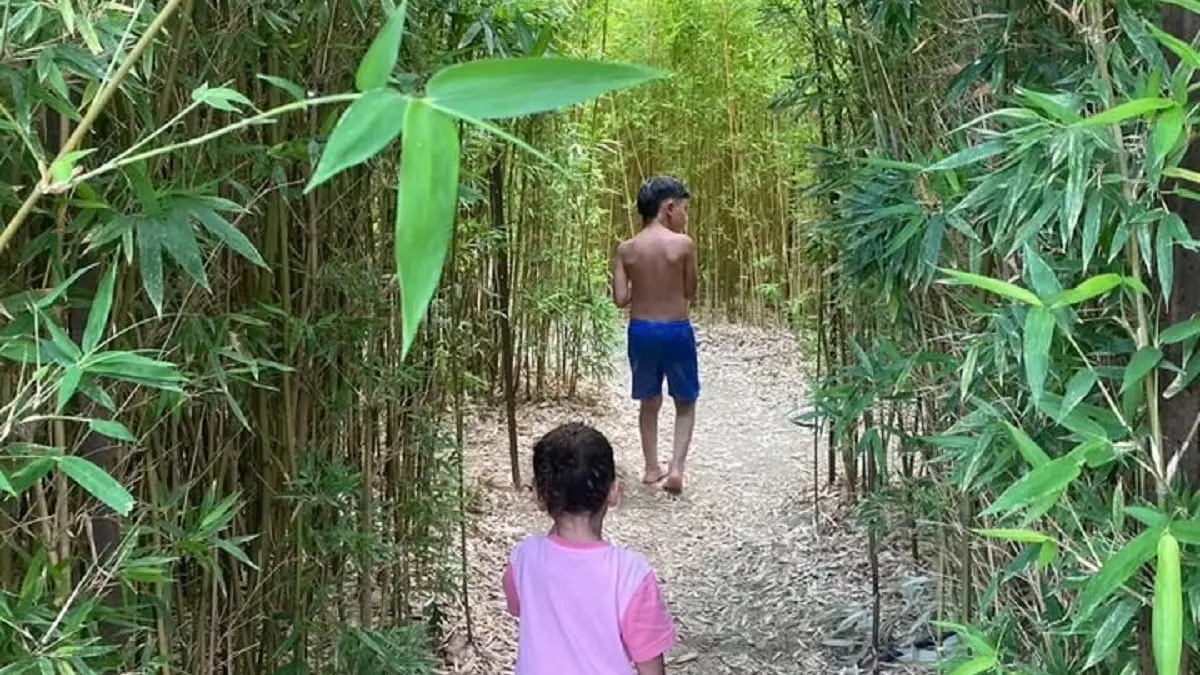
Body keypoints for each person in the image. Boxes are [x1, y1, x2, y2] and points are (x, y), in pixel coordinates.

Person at [502, 422, 678, 674]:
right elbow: (651, 668)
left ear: (540, 495)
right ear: (614, 492)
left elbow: (518, 605)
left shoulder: (524, 559)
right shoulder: (629, 574)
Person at [611, 176, 699, 494]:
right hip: (676, 330)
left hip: (641, 331)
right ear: (669, 208)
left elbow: (620, 299)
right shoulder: (683, 244)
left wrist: (641, 282)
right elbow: (690, 290)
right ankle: (676, 469)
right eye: (684, 210)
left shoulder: (626, 249)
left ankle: (651, 468)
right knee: (685, 402)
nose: (685, 217)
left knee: (649, 401)